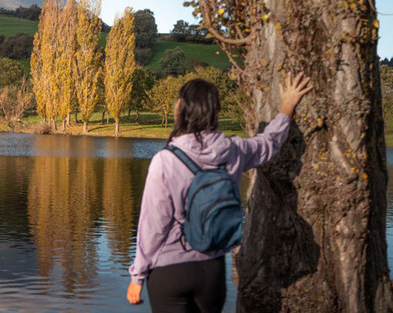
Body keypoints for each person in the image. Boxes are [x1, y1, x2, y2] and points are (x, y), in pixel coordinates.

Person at [127, 72, 313, 312]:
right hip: (211, 270)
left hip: (170, 270)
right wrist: (287, 106)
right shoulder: (233, 150)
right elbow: (269, 144)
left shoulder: (165, 161)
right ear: (214, 112)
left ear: (181, 109)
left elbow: (153, 225)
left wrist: (138, 275)